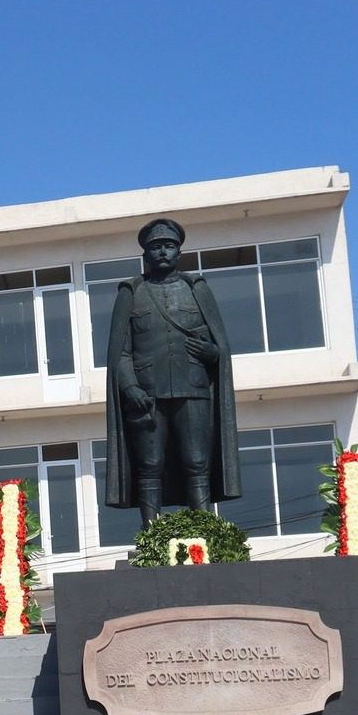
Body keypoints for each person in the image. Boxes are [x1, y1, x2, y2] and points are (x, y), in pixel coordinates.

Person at [104, 217, 241, 529]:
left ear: (179, 251)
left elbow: (218, 345)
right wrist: (129, 388)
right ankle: (151, 534)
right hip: (147, 395)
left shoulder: (197, 289)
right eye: (156, 246)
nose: (163, 252)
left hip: (193, 389)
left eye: (169, 246)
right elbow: (120, 352)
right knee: (150, 465)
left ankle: (206, 532)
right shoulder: (131, 292)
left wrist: (212, 353)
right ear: (145, 253)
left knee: (196, 463)